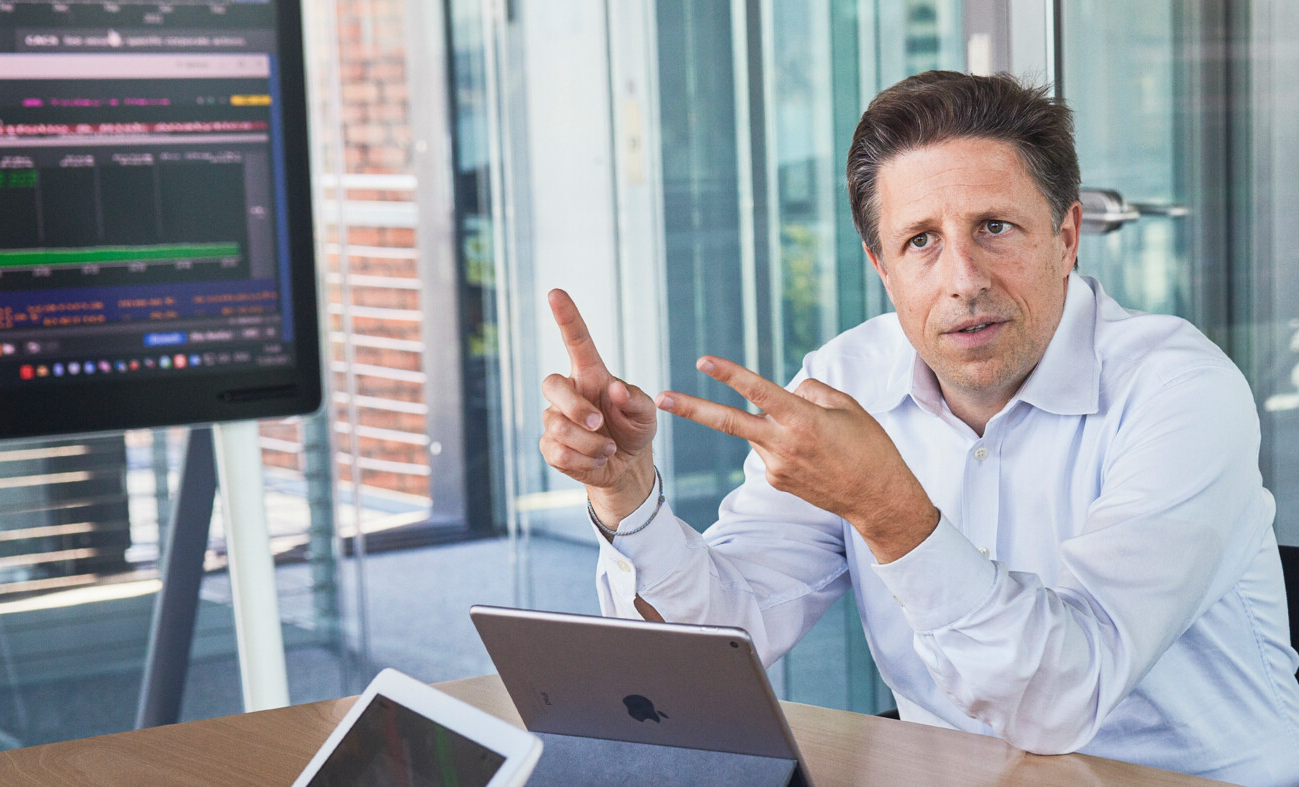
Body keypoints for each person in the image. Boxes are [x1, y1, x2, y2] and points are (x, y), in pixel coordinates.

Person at [538, 71, 1299, 785]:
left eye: (995, 226)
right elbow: (713, 646)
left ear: (1067, 236)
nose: (963, 279)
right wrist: (628, 500)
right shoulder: (845, 382)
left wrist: (889, 512)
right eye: (921, 241)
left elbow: (1065, 699)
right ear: (882, 265)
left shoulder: (1181, 392)